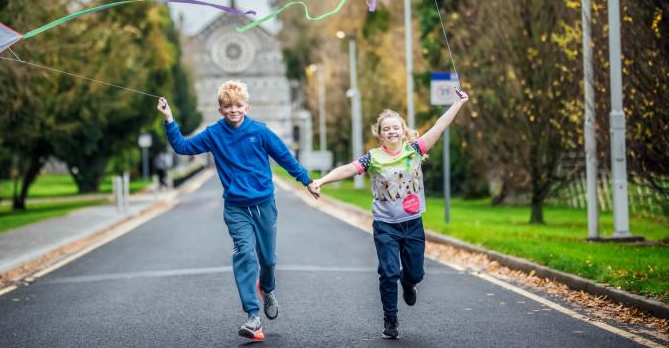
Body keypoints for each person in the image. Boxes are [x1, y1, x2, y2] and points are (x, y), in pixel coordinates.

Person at [157, 80, 320, 341]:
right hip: (235, 208)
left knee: (268, 260)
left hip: (264, 205)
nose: (233, 110)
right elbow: (183, 147)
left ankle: (267, 289)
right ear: (220, 109)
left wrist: (307, 181)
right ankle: (253, 317)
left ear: (247, 107)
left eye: (238, 105)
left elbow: (284, 157)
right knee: (245, 254)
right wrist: (169, 119)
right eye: (227, 106)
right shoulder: (213, 134)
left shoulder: (260, 131)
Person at [314, 89, 468, 340]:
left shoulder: (415, 150)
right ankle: (390, 320)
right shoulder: (373, 158)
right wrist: (321, 181)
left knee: (415, 273)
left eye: (396, 127)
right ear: (380, 134)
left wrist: (458, 103)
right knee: (388, 272)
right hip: (385, 225)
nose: (392, 132)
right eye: (386, 129)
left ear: (403, 131)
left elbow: (439, 126)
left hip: (412, 223)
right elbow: (347, 169)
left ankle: (409, 284)